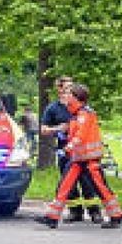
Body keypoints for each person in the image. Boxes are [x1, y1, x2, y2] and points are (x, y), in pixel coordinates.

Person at [36, 83, 122, 229]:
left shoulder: (85, 114)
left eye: (69, 94)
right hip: (77, 159)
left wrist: (68, 148)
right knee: (64, 186)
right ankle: (52, 217)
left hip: (89, 160)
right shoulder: (75, 114)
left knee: (101, 188)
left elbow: (80, 136)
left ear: (76, 97)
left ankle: (116, 216)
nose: (66, 96)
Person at [40, 76, 102, 223]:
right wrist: (58, 128)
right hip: (66, 151)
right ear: (59, 89)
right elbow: (44, 129)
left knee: (88, 183)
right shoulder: (53, 108)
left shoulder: (80, 108)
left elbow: (84, 130)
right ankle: (75, 212)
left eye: (72, 88)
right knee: (68, 185)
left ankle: (95, 212)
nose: (71, 90)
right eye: (67, 88)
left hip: (82, 152)